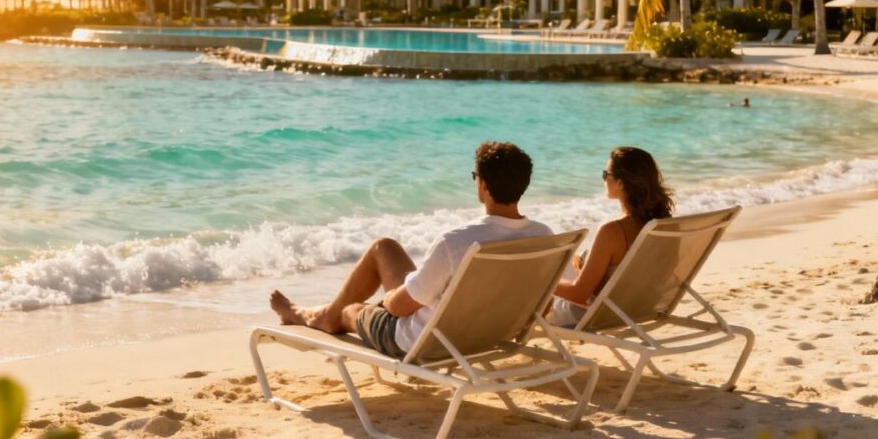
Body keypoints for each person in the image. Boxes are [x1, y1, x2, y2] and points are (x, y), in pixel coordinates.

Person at [269, 141, 553, 358]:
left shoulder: (456, 243)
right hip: (488, 333)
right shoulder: (543, 237)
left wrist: (388, 299)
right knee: (385, 247)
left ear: (482, 185)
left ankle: (310, 315)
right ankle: (313, 312)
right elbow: (546, 305)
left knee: (350, 310)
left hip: (424, 342)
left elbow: (398, 307)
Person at [549, 147, 675, 328]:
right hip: (640, 308)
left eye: (605, 174)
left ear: (621, 183)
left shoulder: (613, 231)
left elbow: (579, 294)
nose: (603, 179)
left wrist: (541, 282)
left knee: (553, 267)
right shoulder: (666, 225)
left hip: (593, 315)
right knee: (571, 261)